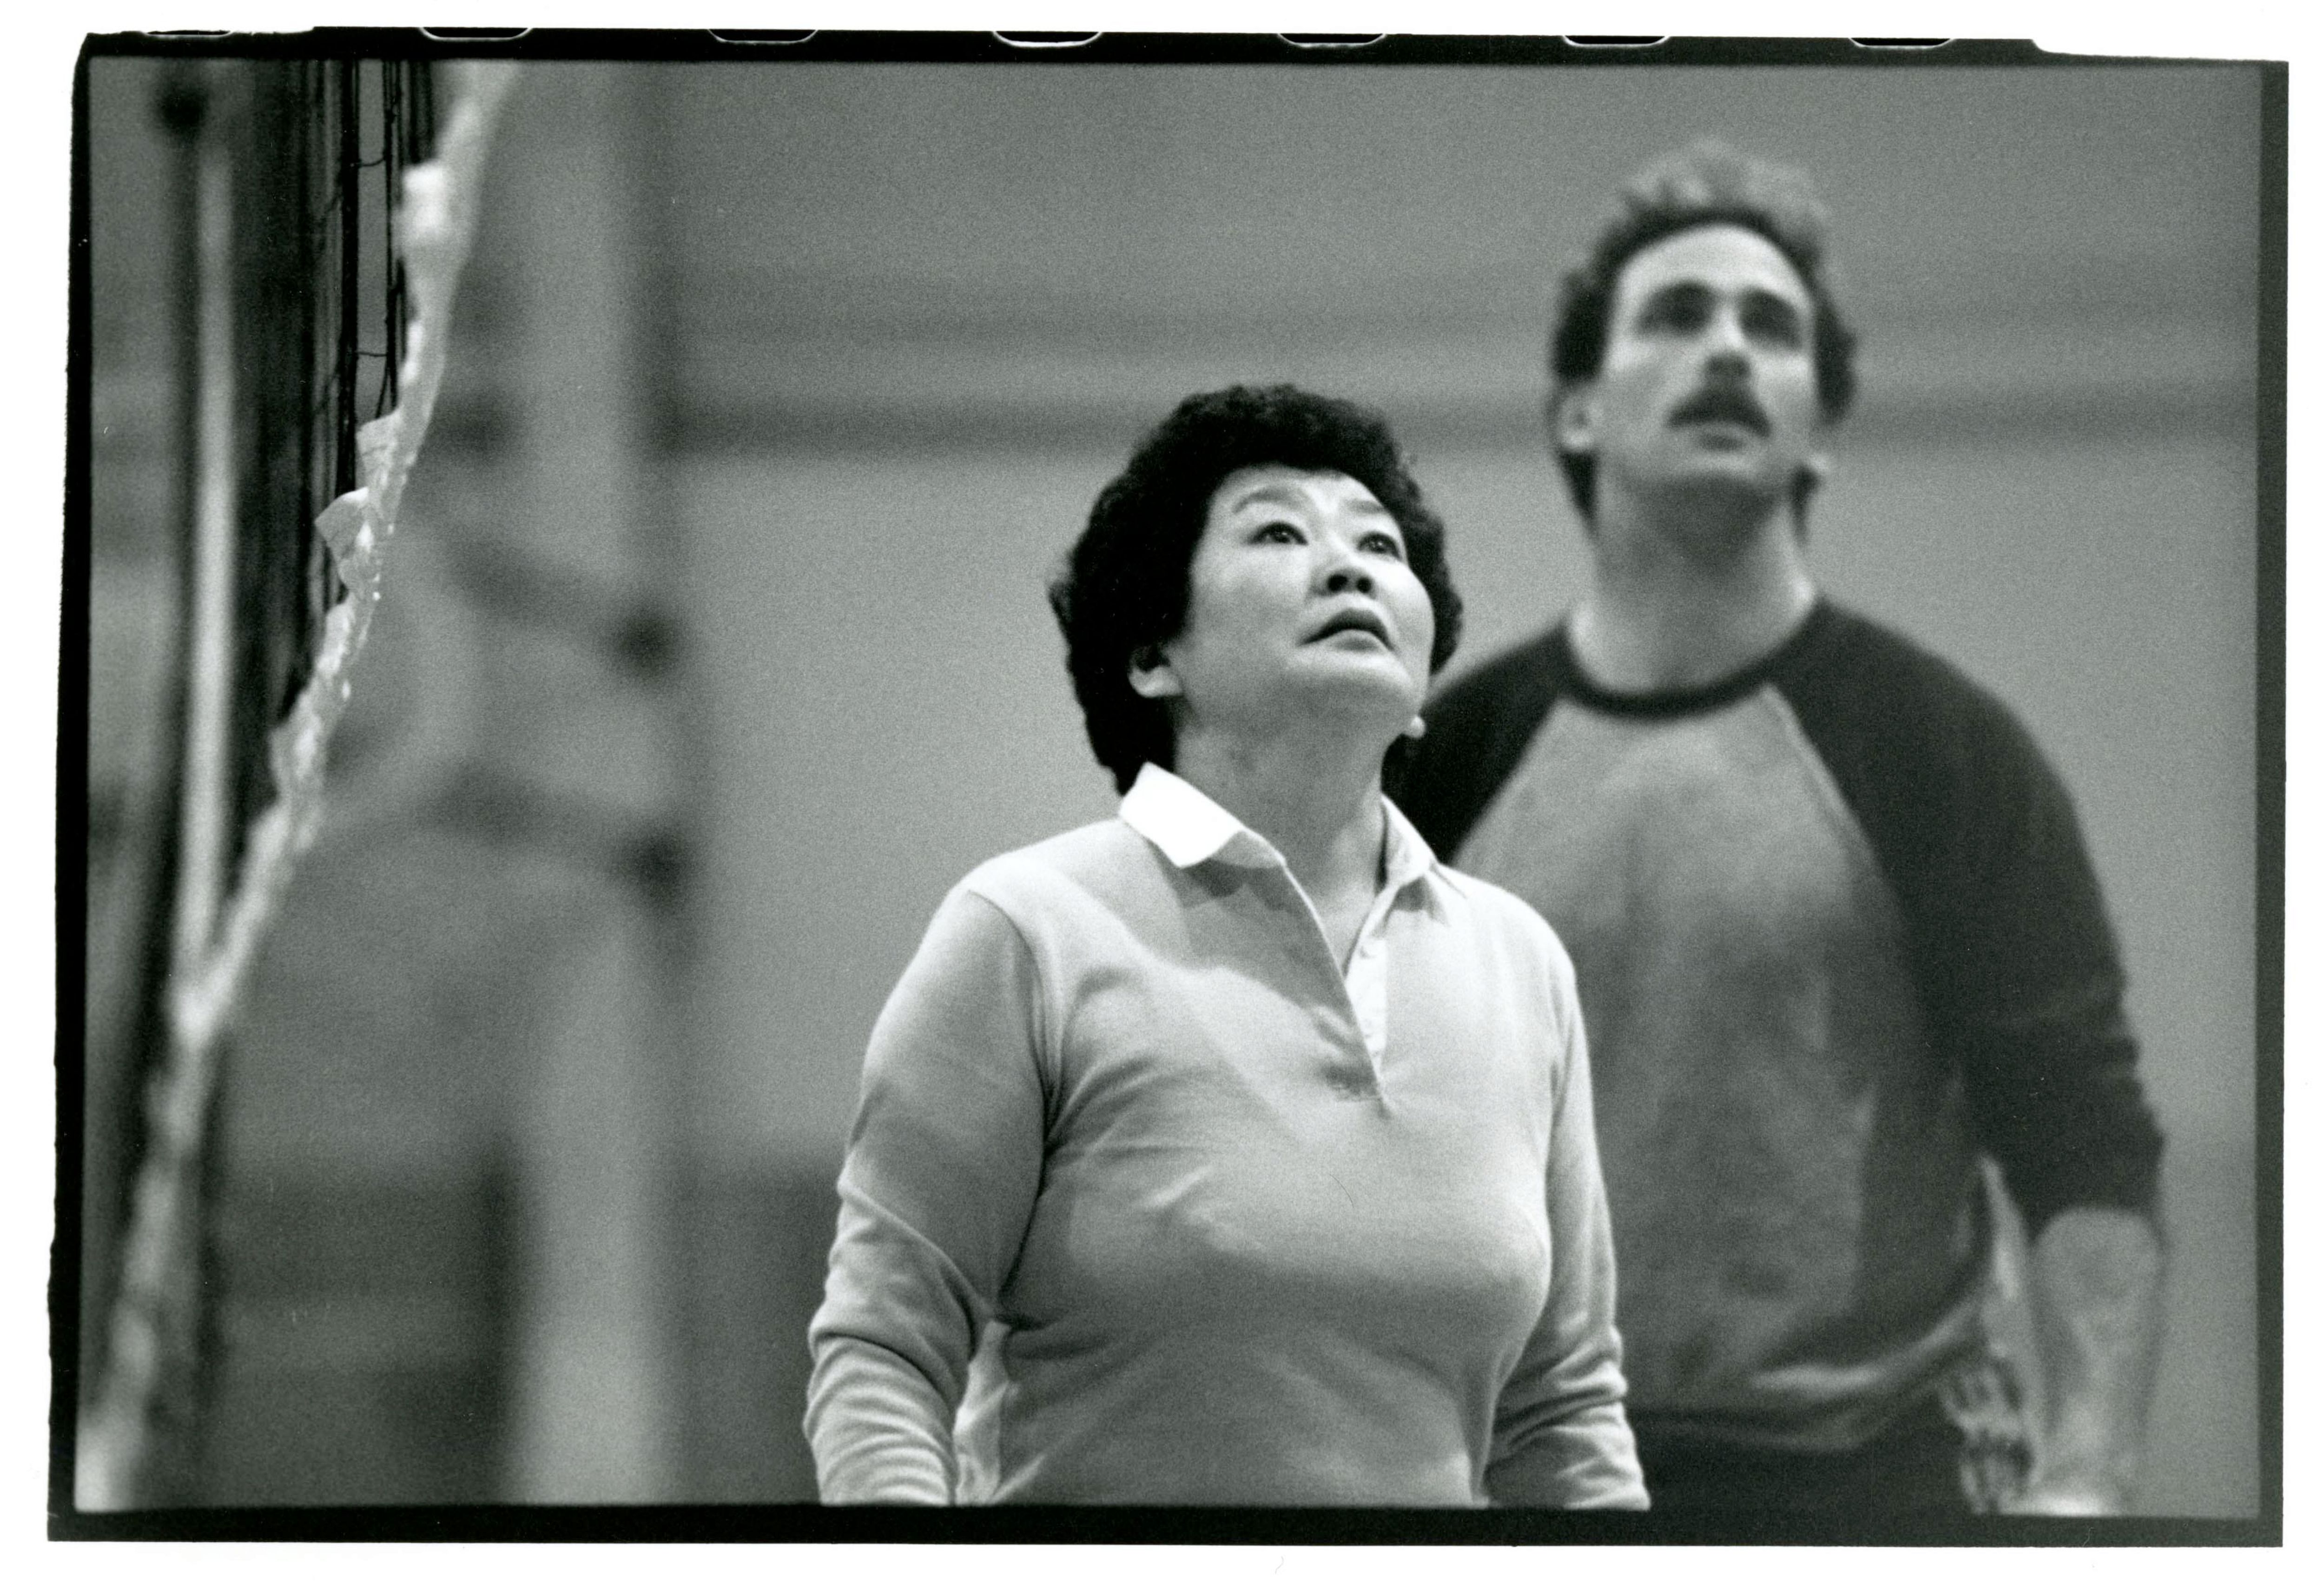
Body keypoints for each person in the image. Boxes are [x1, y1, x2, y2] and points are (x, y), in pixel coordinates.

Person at [1399, 144, 2167, 1517]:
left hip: (1881, 1478)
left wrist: (2088, 1485)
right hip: (1532, 1480)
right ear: (1578, 411)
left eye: (1770, 327)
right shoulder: (1447, 758)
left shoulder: (1943, 749)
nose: (1727, 350)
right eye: (1677, 315)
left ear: (1818, 431)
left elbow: (2084, 1144)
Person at [805, 384, 1646, 1507]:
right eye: (1280, 533)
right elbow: (885, 1355)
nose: (1348, 570)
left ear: (1417, 687)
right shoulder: (1026, 930)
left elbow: (1563, 1415)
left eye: (1380, 548)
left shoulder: (1519, 961)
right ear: (1154, 652)